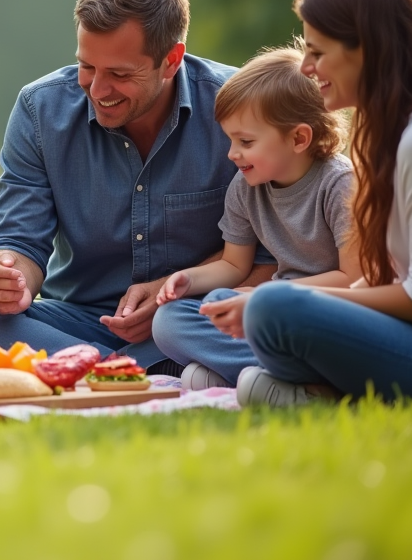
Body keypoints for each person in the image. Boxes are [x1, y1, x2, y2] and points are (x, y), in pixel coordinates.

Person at [0, 0, 275, 367]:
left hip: (191, 316)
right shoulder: (39, 109)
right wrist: (10, 277)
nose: (98, 90)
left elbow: (269, 259)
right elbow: (19, 239)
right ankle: (130, 370)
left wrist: (168, 296)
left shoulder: (241, 110)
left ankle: (98, 368)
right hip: (73, 323)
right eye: (87, 66)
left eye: (119, 73)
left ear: (171, 60)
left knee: (190, 324)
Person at [221, 0, 412, 406]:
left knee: (271, 308)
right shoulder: (400, 131)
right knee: (266, 313)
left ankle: (329, 393)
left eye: (318, 52)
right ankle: (325, 392)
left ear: (368, 49)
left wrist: (288, 306)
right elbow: (392, 275)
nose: (306, 67)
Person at [152, 47, 359, 389]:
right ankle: (281, 374)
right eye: (230, 139)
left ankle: (297, 376)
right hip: (275, 315)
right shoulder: (246, 187)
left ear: (298, 138)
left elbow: (353, 279)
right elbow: (234, 265)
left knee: (238, 306)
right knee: (173, 320)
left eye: (245, 141)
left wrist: (268, 296)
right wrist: (187, 279)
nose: (233, 153)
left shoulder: (340, 184)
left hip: (332, 314)